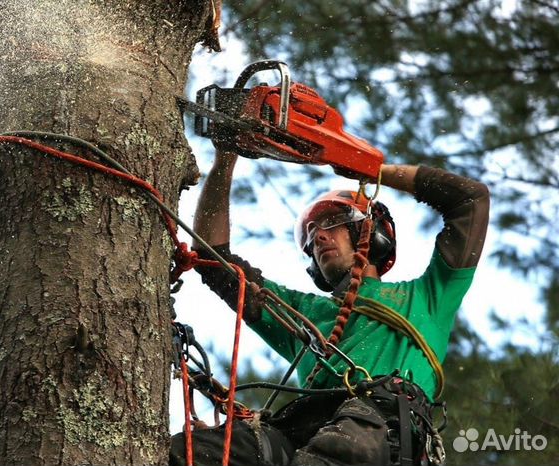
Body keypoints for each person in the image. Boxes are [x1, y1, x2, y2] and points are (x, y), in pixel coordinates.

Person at [170, 150, 490, 466]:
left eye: (333, 222)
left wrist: (375, 172)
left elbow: (470, 200)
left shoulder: (428, 297)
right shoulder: (302, 312)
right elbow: (214, 261)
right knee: (198, 451)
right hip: (301, 429)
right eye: (312, 233)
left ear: (371, 232)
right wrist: (225, 158)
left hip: (378, 425)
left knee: (340, 447)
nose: (319, 236)